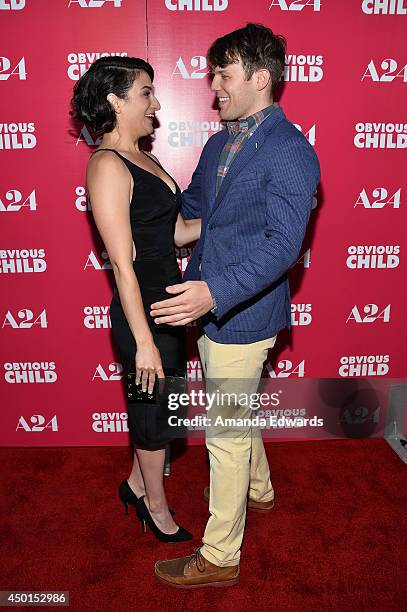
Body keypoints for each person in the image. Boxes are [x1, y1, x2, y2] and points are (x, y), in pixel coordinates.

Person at [152, 24, 320, 586]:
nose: (214, 85)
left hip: (242, 312)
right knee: (236, 408)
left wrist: (216, 292)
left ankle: (221, 557)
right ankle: (260, 490)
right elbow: (193, 213)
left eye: (224, 74)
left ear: (261, 77)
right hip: (208, 302)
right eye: (214, 74)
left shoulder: (292, 151)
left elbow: (283, 247)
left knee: (224, 431)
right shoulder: (220, 141)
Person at [71, 56, 201, 543]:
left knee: (161, 411)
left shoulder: (145, 157)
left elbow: (176, 233)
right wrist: (144, 341)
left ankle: (133, 483)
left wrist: (237, 222)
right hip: (141, 314)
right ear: (115, 100)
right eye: (146, 92)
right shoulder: (106, 164)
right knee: (154, 418)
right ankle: (154, 505)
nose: (156, 102)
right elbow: (123, 264)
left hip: (168, 309)